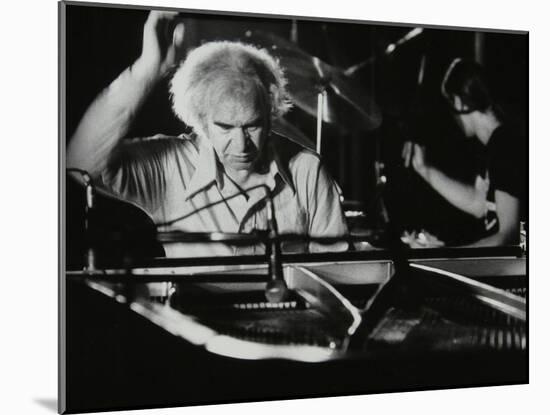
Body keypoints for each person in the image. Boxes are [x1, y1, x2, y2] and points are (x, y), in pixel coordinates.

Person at [67, 11, 348, 258]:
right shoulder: (170, 166)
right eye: (225, 127)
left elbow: (336, 270)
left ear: (270, 112)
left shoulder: (307, 170)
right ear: (200, 120)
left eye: (253, 126)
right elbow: (80, 164)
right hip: (188, 317)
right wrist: (146, 69)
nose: (241, 145)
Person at [402, 58, 526, 247]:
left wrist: (448, 258)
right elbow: (478, 204)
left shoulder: (506, 145)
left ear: (459, 102)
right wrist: (425, 169)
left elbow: (508, 235)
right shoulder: (492, 145)